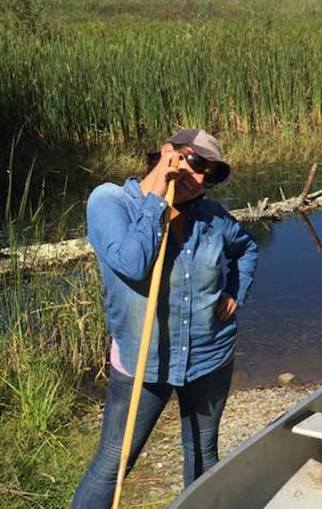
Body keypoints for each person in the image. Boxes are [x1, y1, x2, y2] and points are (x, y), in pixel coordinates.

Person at [72, 129, 259, 509]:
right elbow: (135, 263)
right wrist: (158, 197)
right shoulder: (109, 202)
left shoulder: (211, 218)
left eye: (213, 173)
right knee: (114, 463)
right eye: (196, 162)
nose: (202, 177)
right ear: (168, 153)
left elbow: (247, 248)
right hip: (144, 363)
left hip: (210, 358)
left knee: (203, 457)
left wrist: (234, 294)